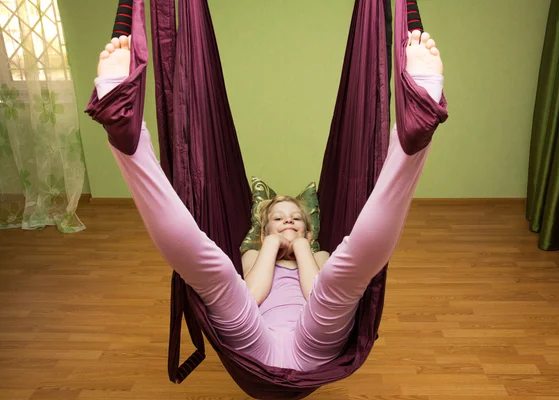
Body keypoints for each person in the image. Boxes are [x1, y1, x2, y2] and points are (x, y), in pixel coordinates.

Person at [94, 30, 444, 372]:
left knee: (344, 274)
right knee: (215, 271)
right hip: (253, 338)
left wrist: (304, 247)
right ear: (264, 229)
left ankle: (412, 136)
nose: (288, 221)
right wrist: (273, 244)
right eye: (278, 218)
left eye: (295, 217)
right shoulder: (254, 252)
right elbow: (253, 295)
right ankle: (129, 140)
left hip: (315, 338)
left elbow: (315, 295)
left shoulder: (318, 253)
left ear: (309, 229)